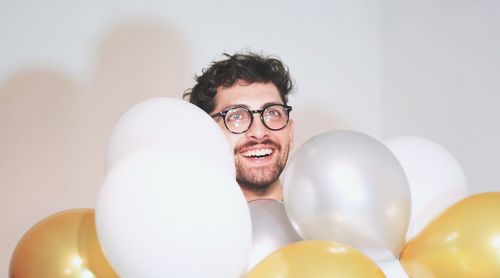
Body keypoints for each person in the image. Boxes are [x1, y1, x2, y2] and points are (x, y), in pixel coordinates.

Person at [183, 52, 295, 201]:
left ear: (291, 133)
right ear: (206, 136)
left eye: (272, 113)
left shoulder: (322, 221)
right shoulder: (184, 222)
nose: (259, 132)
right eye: (236, 116)